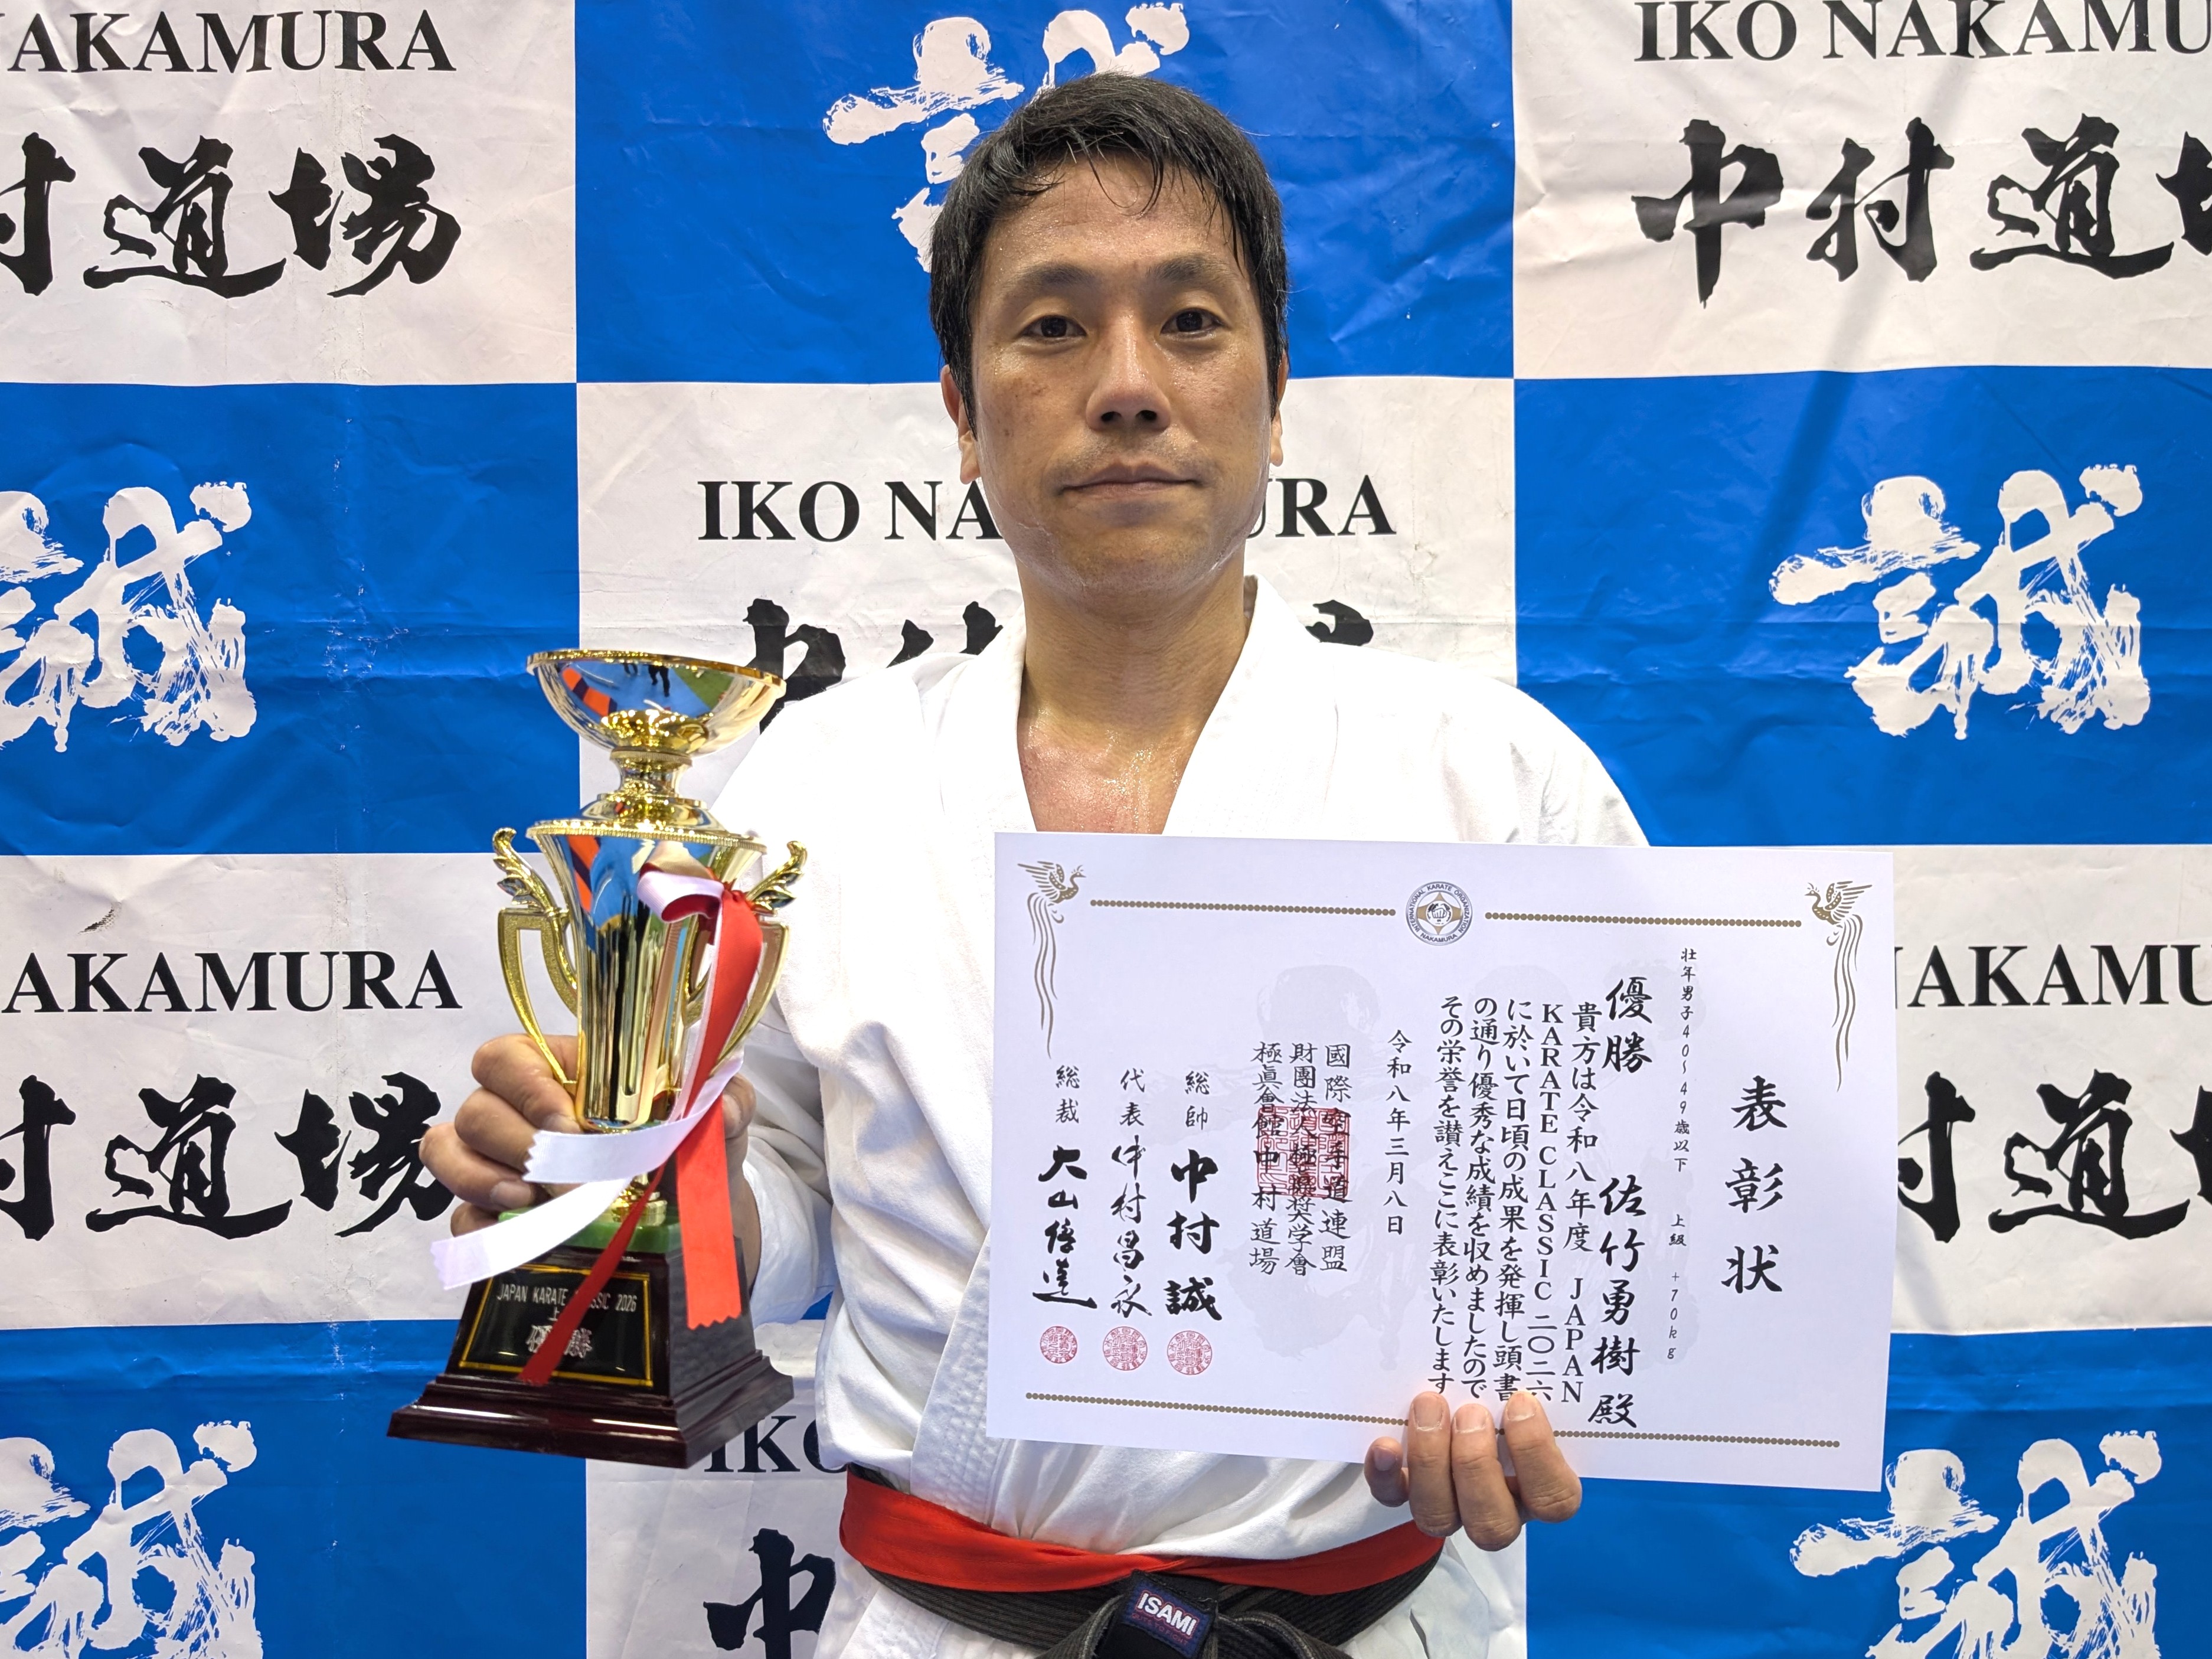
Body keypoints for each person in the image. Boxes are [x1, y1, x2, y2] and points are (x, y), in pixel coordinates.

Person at [424, 74, 1641, 1658]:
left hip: (1366, 1621)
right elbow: (785, 1201)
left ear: (1275, 394)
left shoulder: (1492, 778)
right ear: (961, 410)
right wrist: (629, 1181)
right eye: (1052, 327)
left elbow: (1614, 1211)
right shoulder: (815, 786)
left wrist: (1538, 1389)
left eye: (1190, 323)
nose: (1126, 386)